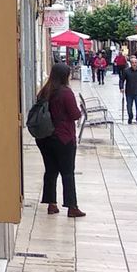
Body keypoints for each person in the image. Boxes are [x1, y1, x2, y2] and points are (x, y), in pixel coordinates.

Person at [34, 62, 84, 218]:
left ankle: (51, 204)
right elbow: (75, 114)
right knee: (67, 172)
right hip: (63, 137)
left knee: (51, 170)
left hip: (45, 138)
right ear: (65, 76)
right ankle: (72, 207)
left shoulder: (44, 92)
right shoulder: (66, 93)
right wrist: (80, 110)